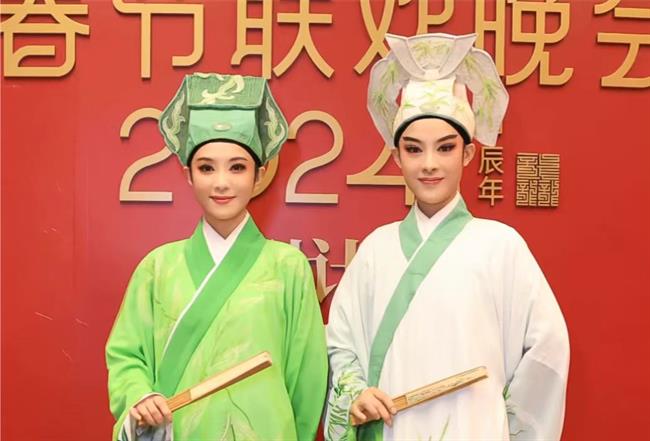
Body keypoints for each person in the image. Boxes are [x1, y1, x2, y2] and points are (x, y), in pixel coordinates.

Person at [325, 33, 570, 441]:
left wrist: (507, 424)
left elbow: (546, 348)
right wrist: (354, 394)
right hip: (392, 428)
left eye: (445, 148)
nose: (429, 164)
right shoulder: (375, 250)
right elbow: (341, 344)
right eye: (414, 149)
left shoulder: (501, 246)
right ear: (396, 157)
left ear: (468, 154)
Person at [106, 73, 328, 441]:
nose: (221, 182)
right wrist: (141, 397)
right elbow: (127, 357)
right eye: (206, 168)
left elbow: (307, 380)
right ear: (188, 175)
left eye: (237, 167)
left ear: (259, 175)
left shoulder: (288, 267)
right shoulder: (157, 267)